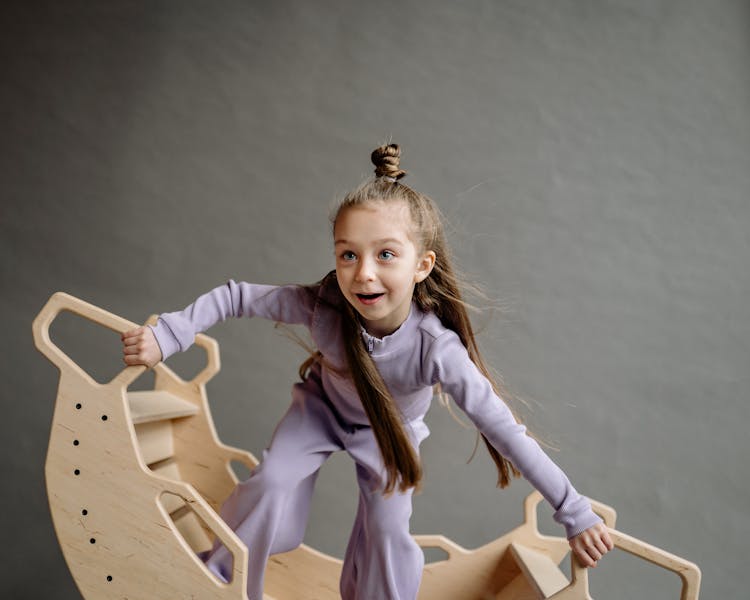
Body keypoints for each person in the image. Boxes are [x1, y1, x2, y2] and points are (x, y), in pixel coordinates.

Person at [121, 143, 613, 600]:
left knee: (386, 530)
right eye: (347, 254)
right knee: (271, 484)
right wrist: (170, 334)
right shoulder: (324, 305)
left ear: (422, 265)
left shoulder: (436, 349)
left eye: (386, 255)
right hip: (320, 412)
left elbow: (505, 430)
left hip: (389, 434)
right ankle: (218, 577)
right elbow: (236, 296)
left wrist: (573, 511)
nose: (364, 273)